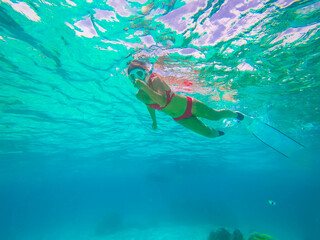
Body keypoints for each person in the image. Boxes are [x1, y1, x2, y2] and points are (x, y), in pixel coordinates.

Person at [127, 60, 244, 138]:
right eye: (133, 77)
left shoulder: (156, 80)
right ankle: (227, 132)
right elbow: (149, 105)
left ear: (145, 73)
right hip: (179, 117)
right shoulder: (139, 95)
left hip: (189, 105)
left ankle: (236, 114)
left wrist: (144, 86)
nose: (137, 78)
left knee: (216, 116)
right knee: (209, 134)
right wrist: (154, 121)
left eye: (139, 74)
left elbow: (162, 101)